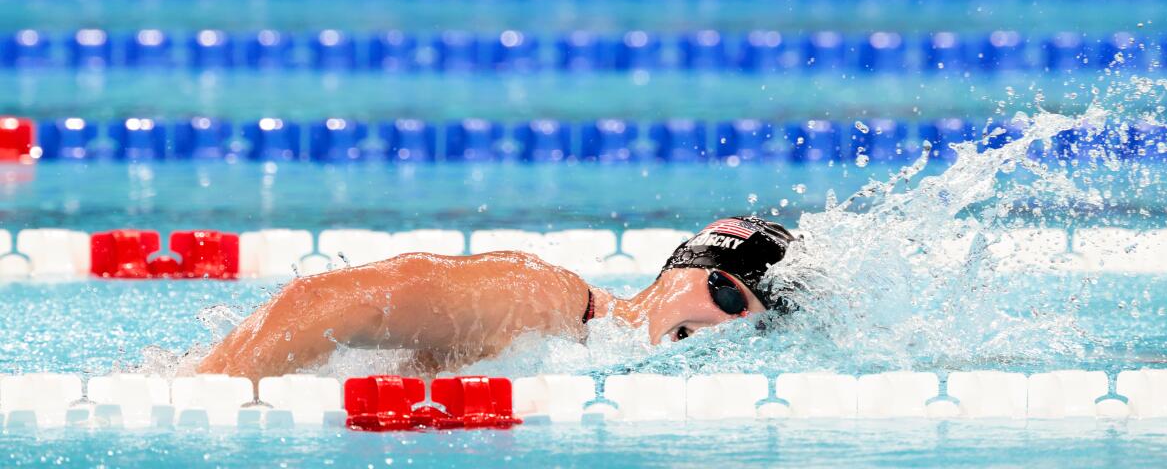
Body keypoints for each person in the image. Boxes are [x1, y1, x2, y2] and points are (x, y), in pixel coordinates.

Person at [198, 216, 796, 381]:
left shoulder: (592, 354)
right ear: (674, 272)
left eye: (748, 324)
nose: (722, 327)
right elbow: (326, 300)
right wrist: (215, 400)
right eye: (726, 294)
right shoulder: (539, 299)